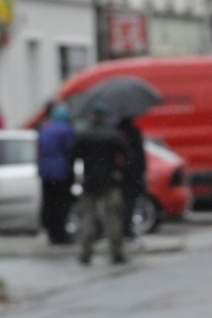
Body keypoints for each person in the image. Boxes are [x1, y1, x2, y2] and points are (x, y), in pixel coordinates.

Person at [70, 101, 132, 265]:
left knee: (88, 218)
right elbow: (128, 156)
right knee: (113, 217)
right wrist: (120, 172)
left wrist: (75, 178)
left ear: (93, 116)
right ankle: (116, 252)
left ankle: (86, 253)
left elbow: (73, 157)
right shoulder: (114, 135)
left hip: (89, 181)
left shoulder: (84, 135)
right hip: (111, 180)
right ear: (105, 117)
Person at [37, 103, 76, 244]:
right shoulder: (65, 130)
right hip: (60, 173)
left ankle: (51, 232)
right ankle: (60, 235)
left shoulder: (44, 128)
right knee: (61, 204)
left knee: (49, 203)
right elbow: (71, 149)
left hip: (45, 173)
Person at [117, 117, 147, 239]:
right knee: (129, 204)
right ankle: (127, 229)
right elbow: (140, 157)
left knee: (120, 205)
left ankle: (122, 229)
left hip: (120, 176)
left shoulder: (116, 133)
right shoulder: (134, 133)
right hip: (132, 176)